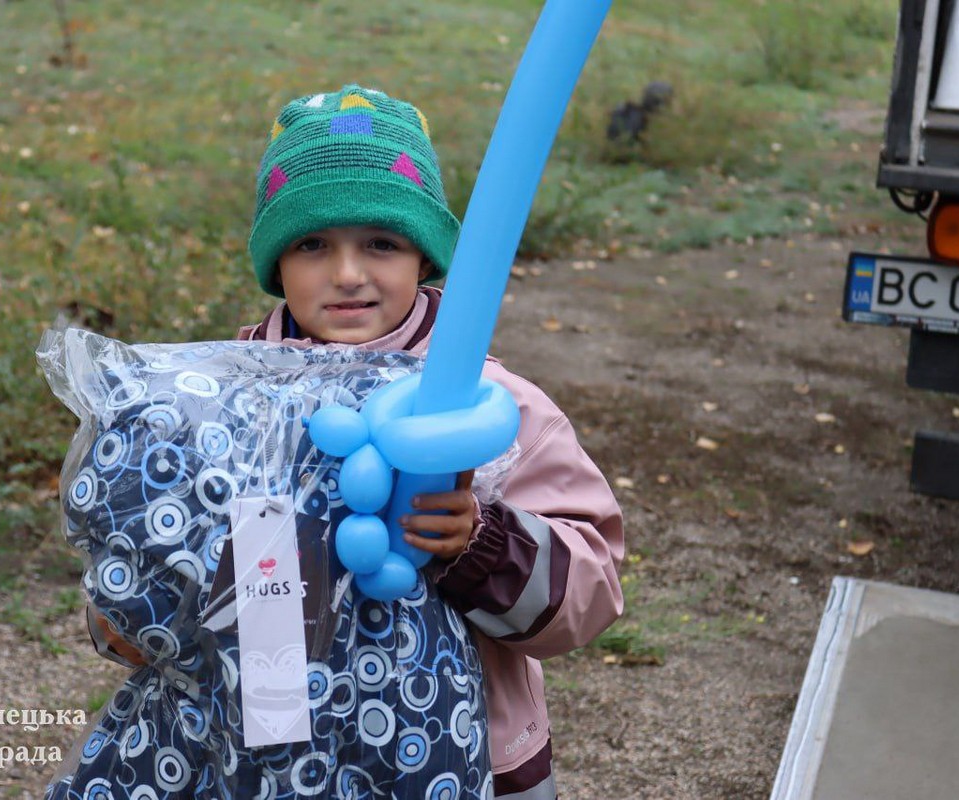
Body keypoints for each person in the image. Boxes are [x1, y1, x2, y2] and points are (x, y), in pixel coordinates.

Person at [85, 84, 624, 800]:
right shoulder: (216, 407)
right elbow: (143, 559)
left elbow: (591, 589)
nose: (347, 273)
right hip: (256, 763)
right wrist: (136, 615)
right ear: (277, 262)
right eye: (312, 244)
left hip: (463, 762)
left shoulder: (493, 411)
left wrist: (481, 545)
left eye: (381, 242)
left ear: (423, 256)